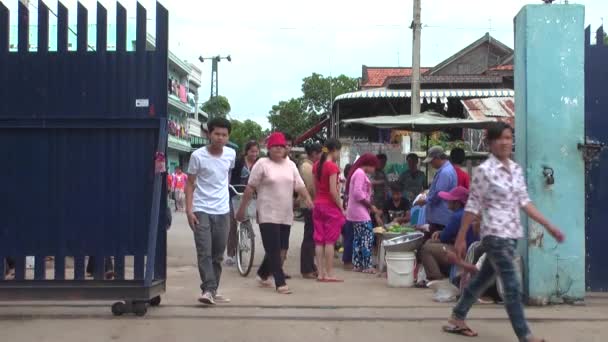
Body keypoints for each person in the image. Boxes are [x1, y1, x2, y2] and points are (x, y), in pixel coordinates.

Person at [443, 122, 565, 341]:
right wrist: (461, 237)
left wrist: (548, 225)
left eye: (509, 137)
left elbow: (525, 203)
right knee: (511, 285)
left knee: (482, 279)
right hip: (494, 236)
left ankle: (457, 316)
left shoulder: (516, 170)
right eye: (501, 138)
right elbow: (472, 206)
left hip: (511, 237)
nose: (506, 142)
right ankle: (525, 335)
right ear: (490, 143)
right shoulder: (484, 171)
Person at [236, 132, 313, 294]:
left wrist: (307, 199)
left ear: (286, 149)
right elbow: (250, 188)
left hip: (285, 213)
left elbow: (299, 185)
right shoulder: (262, 164)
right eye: (275, 146)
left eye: (281, 146)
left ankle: (263, 273)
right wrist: (242, 209)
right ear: (269, 149)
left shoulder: (290, 165)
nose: (278, 149)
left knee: (282, 251)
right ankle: (280, 282)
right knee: (274, 250)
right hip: (267, 213)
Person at [185, 117, 236, 305]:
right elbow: (190, 184)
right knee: (204, 251)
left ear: (228, 136)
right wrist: (189, 210)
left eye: (224, 135)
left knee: (217, 254)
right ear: (209, 134)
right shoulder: (197, 156)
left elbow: (226, 177)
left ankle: (212, 289)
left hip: (222, 210)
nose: (220, 138)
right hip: (201, 209)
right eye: (217, 134)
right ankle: (208, 289)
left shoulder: (230, 154)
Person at [420, 186, 478, 282]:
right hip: (471, 250)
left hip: (464, 252)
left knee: (426, 248)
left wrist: (440, 234)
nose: (447, 202)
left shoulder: (457, 216)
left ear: (457, 203)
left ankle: (435, 277)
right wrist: (440, 233)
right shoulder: (466, 213)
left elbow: (444, 237)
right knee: (430, 242)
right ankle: (442, 272)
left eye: (450, 200)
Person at [312, 139, 346, 282]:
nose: (339, 154)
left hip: (318, 204)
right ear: (334, 150)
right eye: (339, 151)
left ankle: (320, 273)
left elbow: (315, 188)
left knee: (319, 241)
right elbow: (333, 191)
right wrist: (341, 207)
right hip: (330, 207)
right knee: (330, 241)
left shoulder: (315, 166)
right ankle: (329, 273)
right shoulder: (332, 167)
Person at [345, 153, 381, 274]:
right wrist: (370, 205)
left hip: (355, 211)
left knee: (358, 238)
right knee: (367, 237)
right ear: (369, 164)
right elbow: (358, 194)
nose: (374, 169)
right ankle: (368, 265)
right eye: (374, 167)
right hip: (360, 211)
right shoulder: (360, 173)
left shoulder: (357, 172)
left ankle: (358, 264)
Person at [226, 141, 260, 266]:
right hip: (236, 194)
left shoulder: (258, 163)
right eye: (252, 151)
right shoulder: (238, 162)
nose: (254, 154)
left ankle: (247, 234)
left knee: (249, 217)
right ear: (247, 151)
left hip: (251, 196)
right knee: (233, 224)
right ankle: (231, 254)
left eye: (256, 151)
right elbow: (230, 176)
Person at [415, 146, 457, 234]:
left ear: (437, 158)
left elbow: (439, 194)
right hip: (439, 218)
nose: (431, 164)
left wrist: (425, 200)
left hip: (440, 219)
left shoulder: (445, 172)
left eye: (431, 161)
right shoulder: (446, 170)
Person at [299, 142, 322, 279]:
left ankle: (310, 266)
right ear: (314, 153)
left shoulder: (309, 166)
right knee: (309, 237)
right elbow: (311, 187)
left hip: (310, 204)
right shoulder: (307, 167)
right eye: (319, 154)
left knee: (311, 237)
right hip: (309, 204)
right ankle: (306, 269)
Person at [341, 164, 354, 270]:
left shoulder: (343, 182)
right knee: (349, 237)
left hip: (343, 212)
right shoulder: (348, 184)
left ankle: (348, 259)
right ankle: (347, 260)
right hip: (347, 214)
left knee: (347, 237)